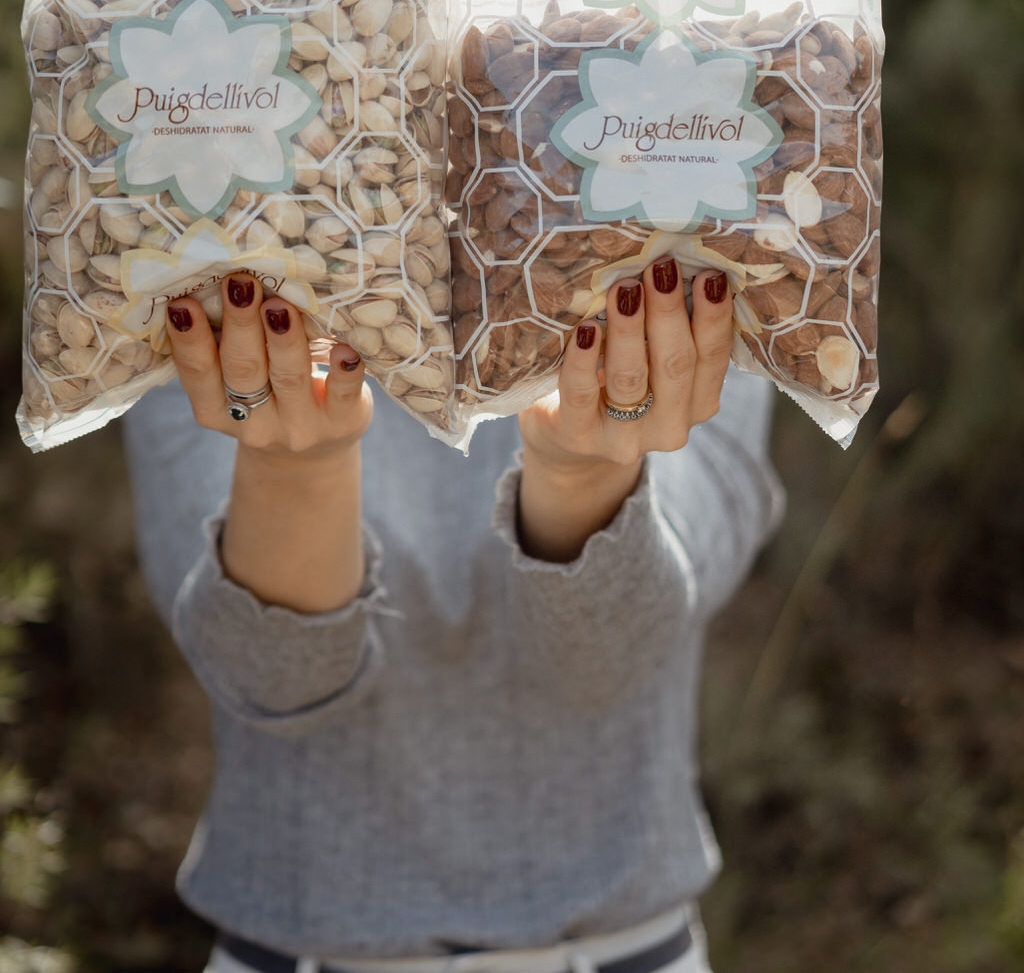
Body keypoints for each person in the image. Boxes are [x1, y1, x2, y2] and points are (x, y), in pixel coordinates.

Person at [123, 257, 783, 973]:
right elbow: (270, 677)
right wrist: (292, 466)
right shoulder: (212, 254)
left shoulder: (679, 237)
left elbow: (613, 660)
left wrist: (583, 476)